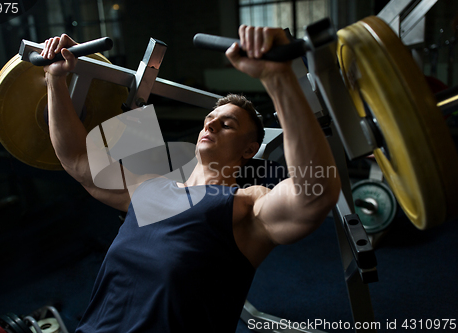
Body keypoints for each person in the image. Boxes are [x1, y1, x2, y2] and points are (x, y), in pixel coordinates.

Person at [41, 25, 341, 333]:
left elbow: (314, 195)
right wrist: (56, 77)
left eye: (227, 125)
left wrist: (279, 79)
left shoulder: (245, 206)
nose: (211, 126)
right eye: (209, 121)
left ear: (250, 149)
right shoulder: (149, 188)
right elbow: (77, 158)